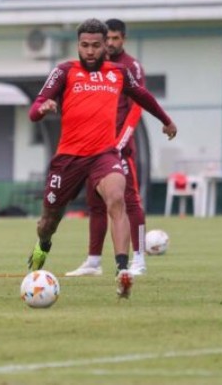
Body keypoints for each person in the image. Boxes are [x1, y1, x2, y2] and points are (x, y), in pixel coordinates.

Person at [27, 18, 177, 299]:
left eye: (97, 45)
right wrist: (43, 108)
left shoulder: (118, 72)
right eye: (85, 45)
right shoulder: (64, 71)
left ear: (105, 45)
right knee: (49, 221)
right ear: (78, 45)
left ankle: (122, 271)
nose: (91, 51)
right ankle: (42, 245)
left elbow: (143, 96)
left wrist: (166, 121)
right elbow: (34, 108)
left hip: (103, 155)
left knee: (117, 199)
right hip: (69, 158)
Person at [66, 18, 148, 277]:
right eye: (107, 39)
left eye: (114, 39)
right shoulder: (95, 68)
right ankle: (93, 261)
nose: (110, 44)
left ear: (122, 39)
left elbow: (137, 106)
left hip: (120, 147)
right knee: (95, 203)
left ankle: (139, 259)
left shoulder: (130, 67)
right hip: (94, 147)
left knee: (129, 201)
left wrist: (122, 141)